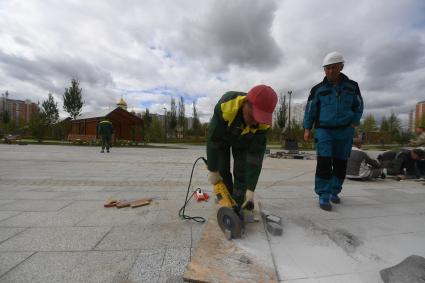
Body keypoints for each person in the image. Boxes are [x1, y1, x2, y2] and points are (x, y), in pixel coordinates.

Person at [303, 51, 364, 211]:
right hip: (324, 130)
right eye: (327, 68)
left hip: (345, 131)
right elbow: (310, 109)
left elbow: (359, 106)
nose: (330, 71)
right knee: (323, 162)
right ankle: (323, 194)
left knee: (341, 163)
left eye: (333, 67)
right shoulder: (317, 89)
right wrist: (307, 128)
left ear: (341, 67)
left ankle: (334, 191)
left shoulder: (353, 86)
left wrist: (354, 123)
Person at [206, 85, 278, 209]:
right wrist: (213, 169)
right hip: (223, 138)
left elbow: (255, 157)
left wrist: (250, 189)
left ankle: (238, 205)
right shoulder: (227, 106)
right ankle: (225, 202)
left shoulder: (262, 126)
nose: (255, 122)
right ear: (245, 103)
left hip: (243, 141)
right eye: (252, 117)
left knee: (242, 172)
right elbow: (214, 140)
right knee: (222, 170)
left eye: (259, 119)